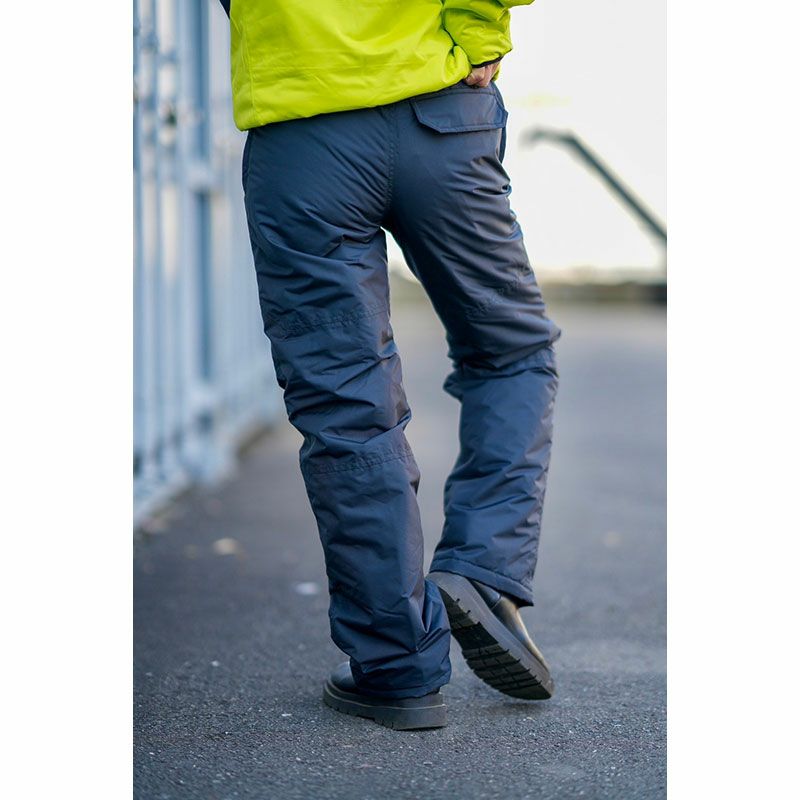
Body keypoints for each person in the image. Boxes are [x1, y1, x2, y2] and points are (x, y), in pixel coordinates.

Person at [220, 0, 561, 730]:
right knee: (511, 352)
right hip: (440, 114)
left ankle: (397, 666)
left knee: (346, 404)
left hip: (302, 131)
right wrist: (480, 33)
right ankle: (482, 566)